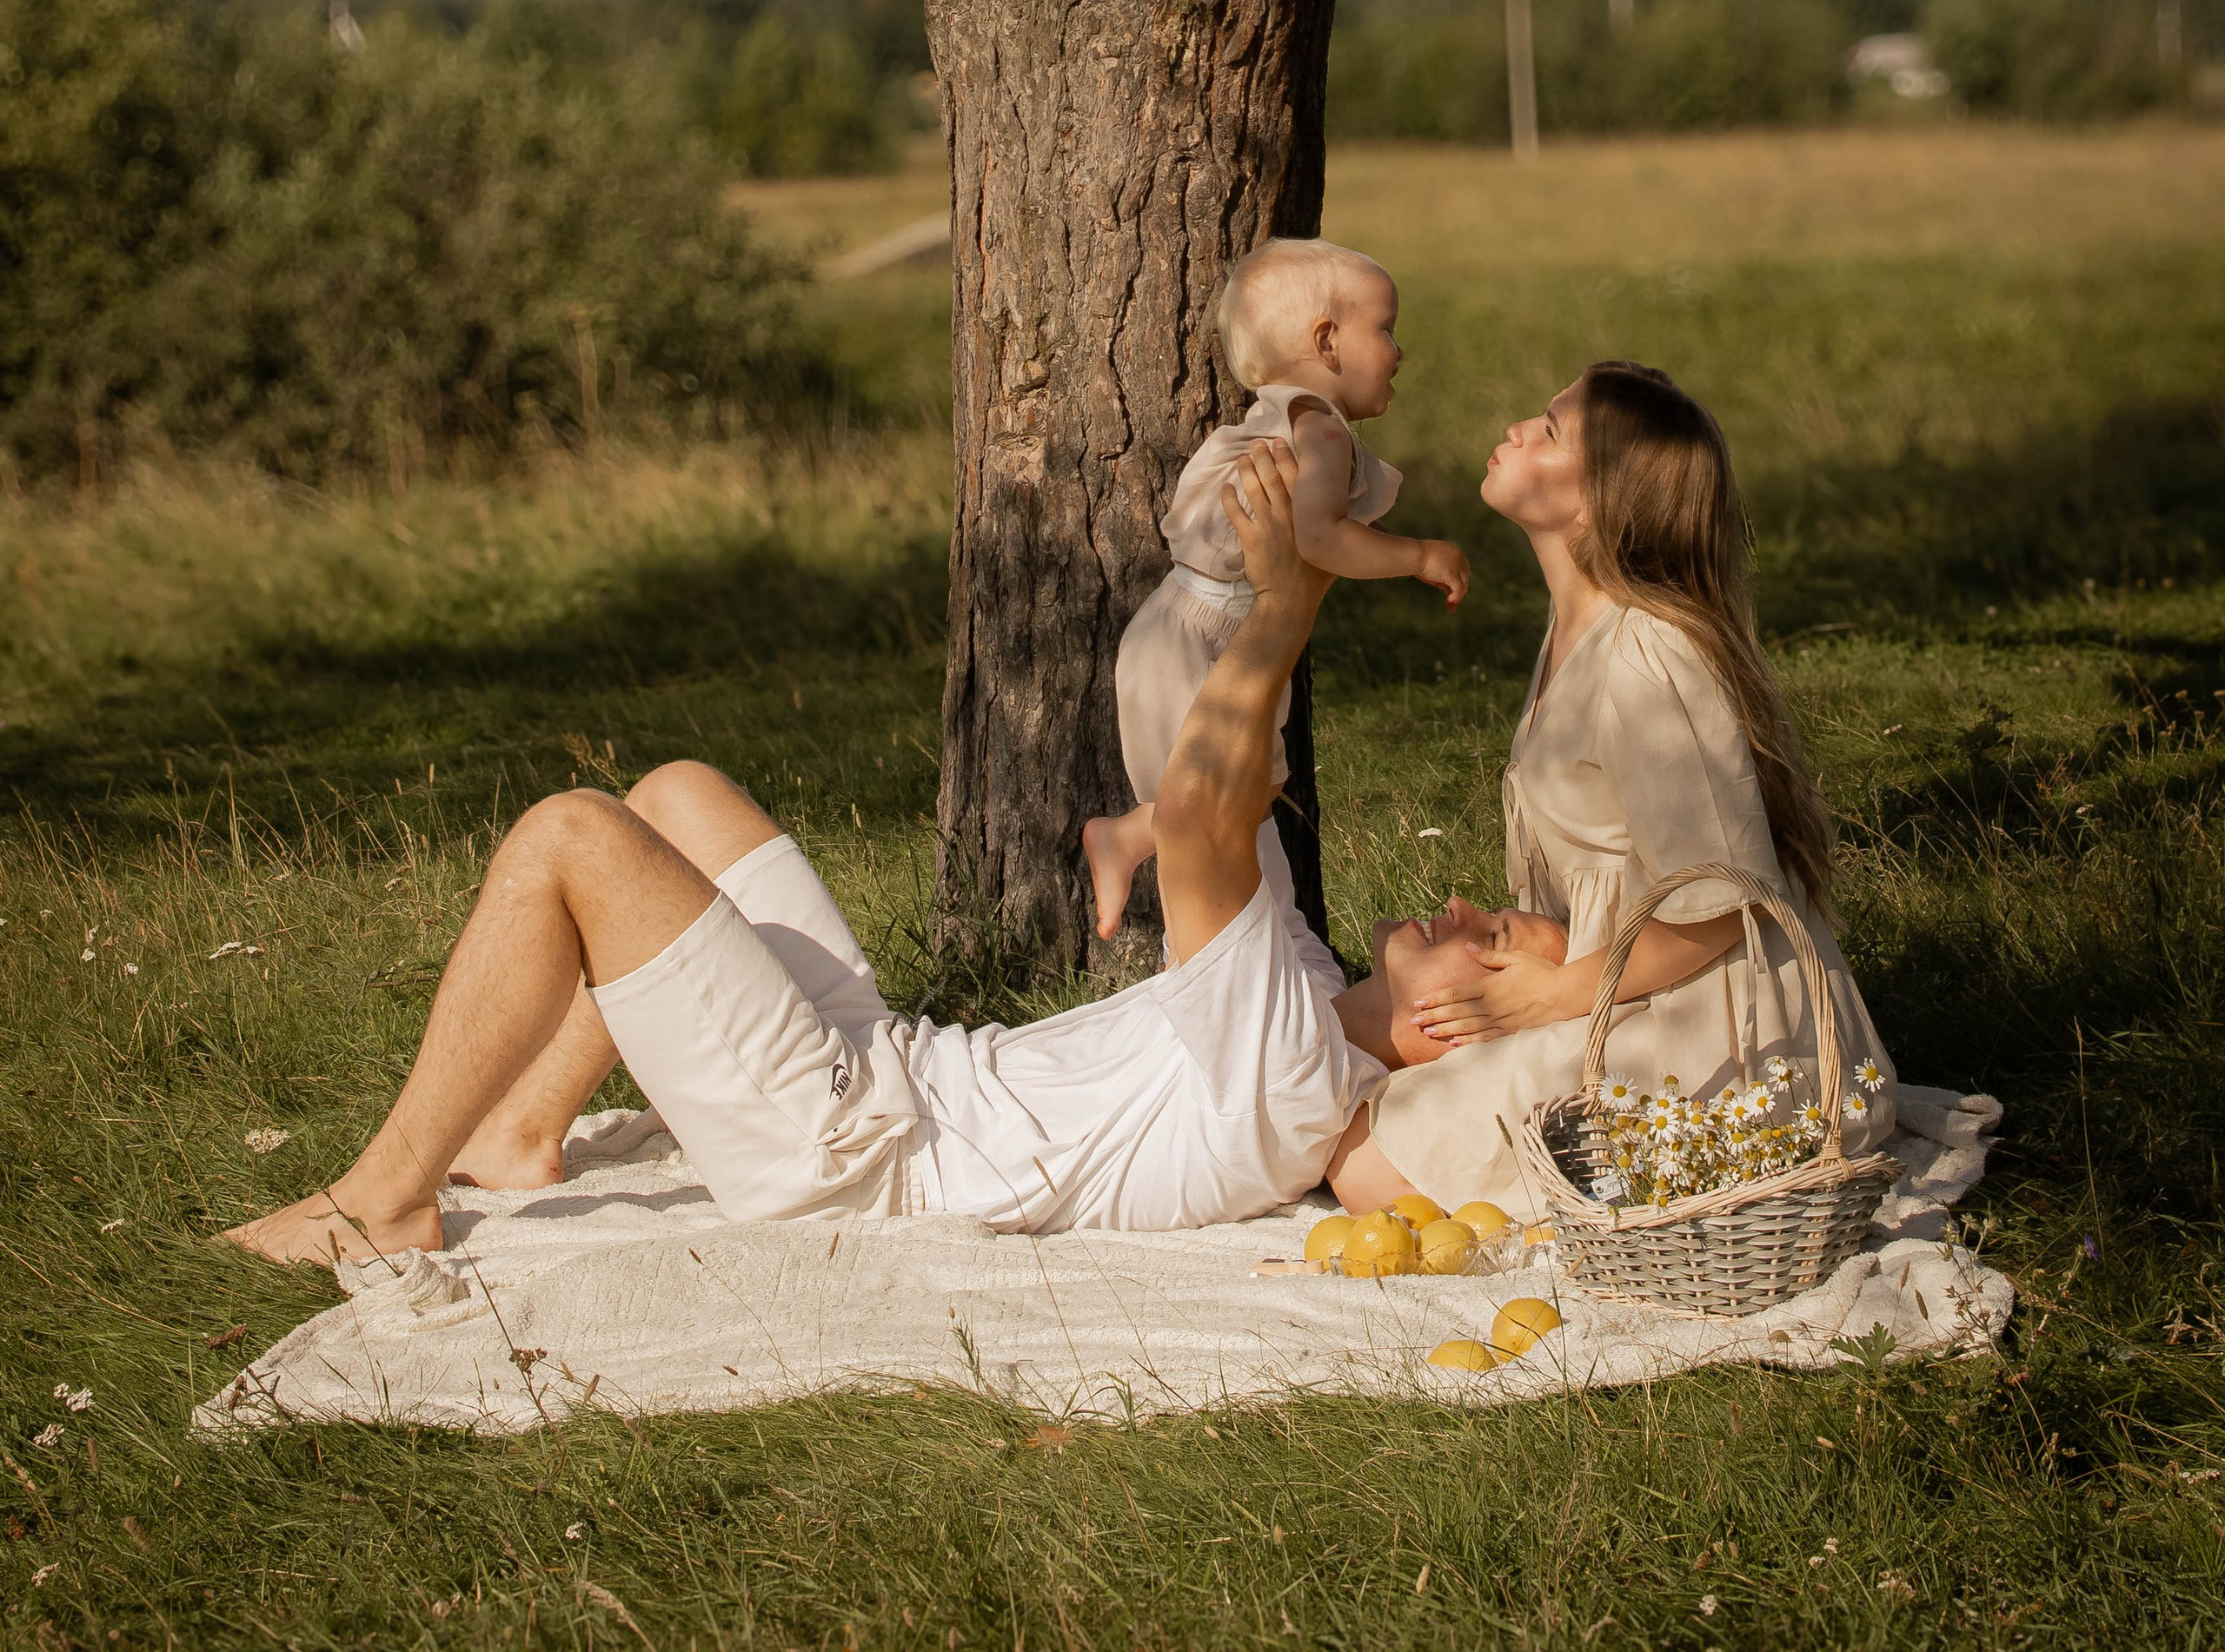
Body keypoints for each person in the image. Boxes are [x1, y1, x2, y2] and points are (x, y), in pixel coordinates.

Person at [224, 436, 1393, 1268]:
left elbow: (1200, 810)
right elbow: (1225, 768)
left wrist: (1292, 601)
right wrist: (1282, 561)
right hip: (893, 1073)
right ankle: (516, 1134)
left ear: (1444, 1023)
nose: (1457, 914)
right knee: (675, 797)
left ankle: (382, 1203)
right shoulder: (1300, 977)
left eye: (1476, 939)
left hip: (861, 1161)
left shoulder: (1295, 1076)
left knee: (569, 838)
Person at [1323, 361, 1896, 1224]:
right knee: (1341, 1060)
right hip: (1614, 984)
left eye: (1550, 432)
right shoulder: (1576, 630)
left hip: (1714, 1027)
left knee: (1368, 1165)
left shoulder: (1646, 655)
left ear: (1597, 502)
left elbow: (1721, 903)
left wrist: (1552, 998)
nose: (1517, 429)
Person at [1083, 239, 1469, 954]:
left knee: (1241, 794)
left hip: (1187, 629)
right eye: (1386, 329)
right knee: (1221, 806)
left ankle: (1155, 869)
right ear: (1326, 342)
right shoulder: (1318, 428)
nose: (1399, 351)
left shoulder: (1285, 419)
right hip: (1200, 637)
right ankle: (1138, 848)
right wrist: (1418, 555)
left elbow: (1316, 528)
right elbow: (1321, 539)